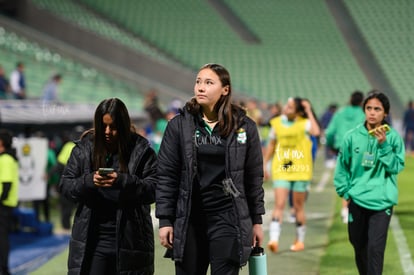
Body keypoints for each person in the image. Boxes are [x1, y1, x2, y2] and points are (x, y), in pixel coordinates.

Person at [156, 63, 265, 275]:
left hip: (228, 217)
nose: (200, 87)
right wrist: (165, 220)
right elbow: (166, 175)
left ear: (225, 89)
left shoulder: (244, 126)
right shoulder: (179, 125)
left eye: (208, 82)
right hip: (189, 218)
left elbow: (253, 178)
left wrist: (257, 221)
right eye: (198, 82)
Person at [59, 98, 157, 274]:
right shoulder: (83, 150)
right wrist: (89, 181)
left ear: (124, 124)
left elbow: (155, 189)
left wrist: (122, 181)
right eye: (103, 126)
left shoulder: (142, 150)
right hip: (93, 242)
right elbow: (65, 186)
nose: (107, 131)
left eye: (113, 127)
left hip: (132, 242)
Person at [333, 91, 405, 275]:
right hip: (356, 200)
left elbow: (396, 167)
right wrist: (346, 192)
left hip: (382, 202)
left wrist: (383, 145)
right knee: (358, 245)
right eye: (369, 108)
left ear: (385, 113)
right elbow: (342, 166)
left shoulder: (394, 138)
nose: (372, 112)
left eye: (377, 109)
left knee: (375, 249)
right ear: (364, 110)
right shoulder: (352, 136)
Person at [263, 97, 320, 253]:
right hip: (281, 168)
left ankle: (299, 240)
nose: (286, 108)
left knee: (298, 207)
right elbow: (271, 145)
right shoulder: (276, 123)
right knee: (279, 204)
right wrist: (264, 164)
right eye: (286, 105)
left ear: (298, 112)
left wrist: (308, 110)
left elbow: (316, 132)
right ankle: (274, 239)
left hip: (301, 170)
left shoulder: (304, 123)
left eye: (290, 107)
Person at [325, 90, 365, 223]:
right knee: (359, 179)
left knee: (345, 179)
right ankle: (358, 208)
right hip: (359, 149)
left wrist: (331, 146)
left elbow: (330, 132)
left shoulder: (340, 113)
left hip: (342, 148)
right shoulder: (364, 113)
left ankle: (345, 210)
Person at [0, 129, 19, 275]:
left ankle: (4, 269)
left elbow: (6, 185)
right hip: (6, 205)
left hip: (3, 205)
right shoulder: (8, 158)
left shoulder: (5, 160)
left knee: (2, 239)